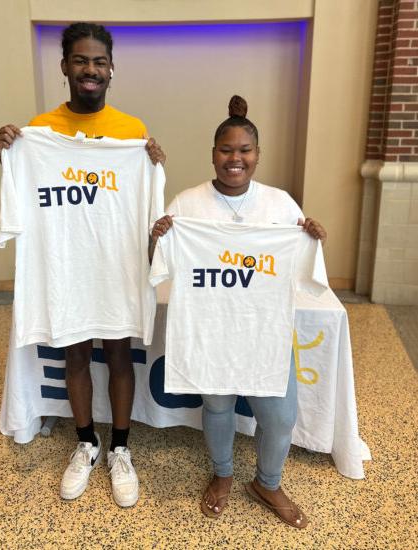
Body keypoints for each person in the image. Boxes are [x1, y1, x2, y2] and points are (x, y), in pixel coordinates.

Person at [0, 22, 165, 508]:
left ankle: (121, 449)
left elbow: (150, 207)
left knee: (118, 353)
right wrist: (10, 153)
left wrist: (153, 165)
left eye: (100, 61)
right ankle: (85, 442)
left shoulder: (132, 132)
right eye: (81, 61)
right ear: (65, 66)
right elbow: (22, 193)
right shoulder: (39, 132)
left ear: (112, 69)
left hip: (114, 265)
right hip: (66, 269)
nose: (91, 70)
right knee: (74, 355)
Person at [150, 95, 326, 528]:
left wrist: (312, 240)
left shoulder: (281, 204)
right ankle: (223, 474)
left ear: (257, 155)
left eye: (244, 150)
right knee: (218, 405)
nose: (235, 158)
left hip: (264, 332)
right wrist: (158, 237)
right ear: (213, 153)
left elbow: (304, 268)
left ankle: (268, 482)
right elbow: (159, 264)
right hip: (212, 330)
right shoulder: (187, 204)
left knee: (280, 415)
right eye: (226, 149)